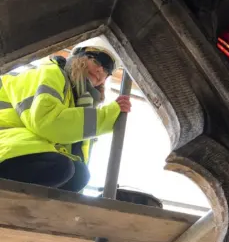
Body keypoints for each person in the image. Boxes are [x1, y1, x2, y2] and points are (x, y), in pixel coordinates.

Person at [0, 44, 131, 192]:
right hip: (7, 147)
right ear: (78, 58)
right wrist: (107, 116)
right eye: (97, 61)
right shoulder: (51, 72)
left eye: (107, 71)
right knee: (62, 167)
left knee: (79, 174)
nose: (101, 71)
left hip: (21, 152)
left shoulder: (79, 101)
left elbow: (74, 153)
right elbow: (47, 122)